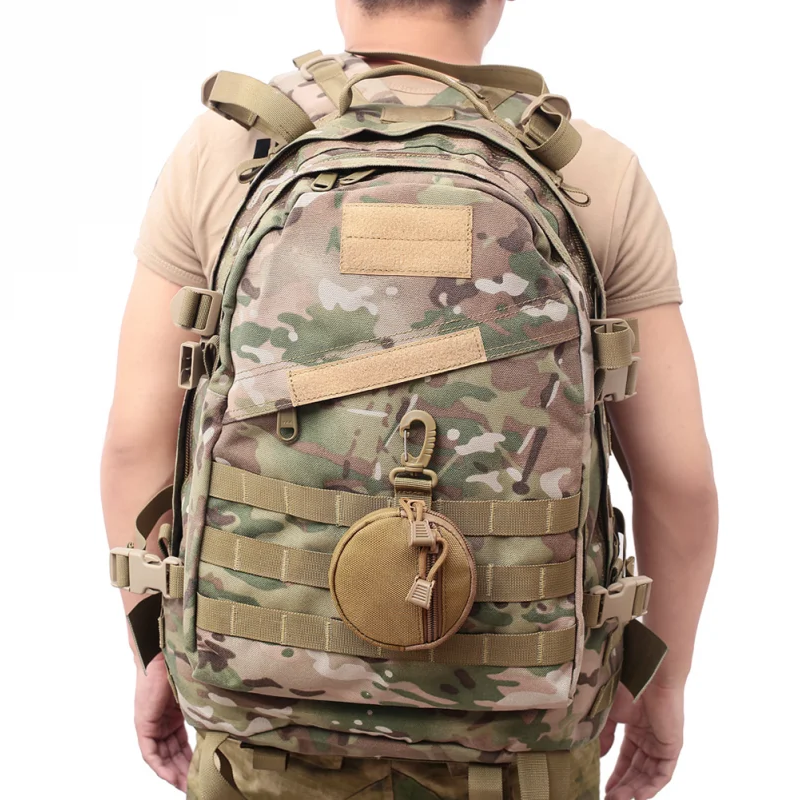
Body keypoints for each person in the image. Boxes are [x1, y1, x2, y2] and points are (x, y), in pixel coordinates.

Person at [101, 1, 718, 798]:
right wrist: (661, 682)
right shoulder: (591, 172)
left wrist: (155, 652)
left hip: (258, 717)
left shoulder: (226, 150)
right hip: (521, 739)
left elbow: (135, 443)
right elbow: (679, 482)